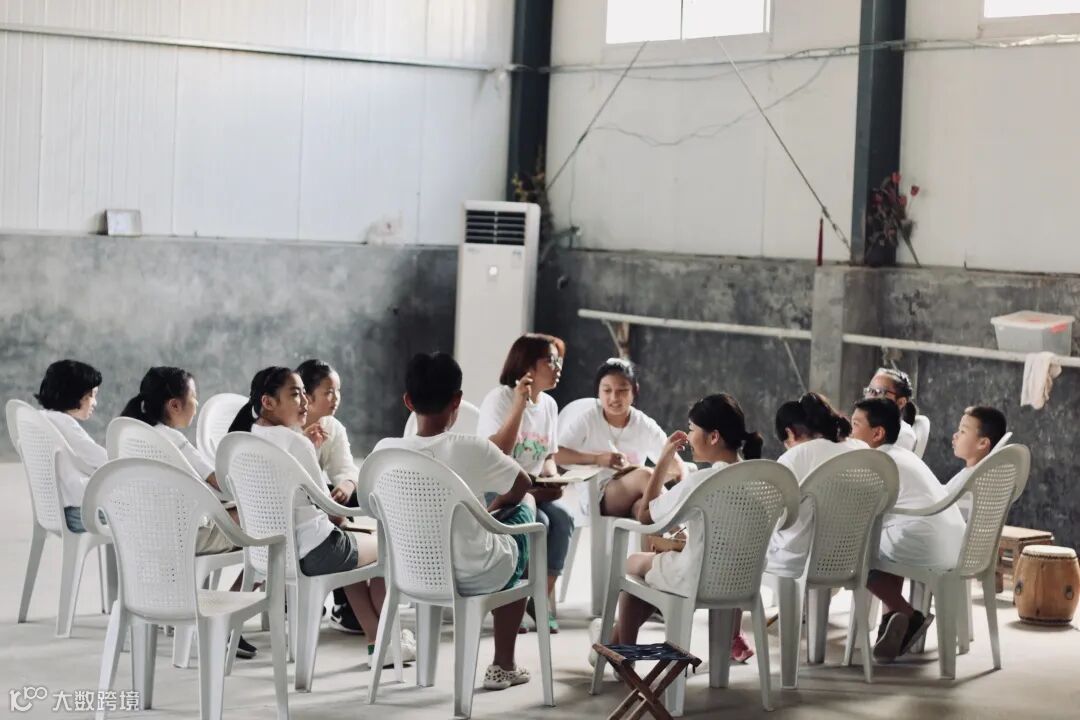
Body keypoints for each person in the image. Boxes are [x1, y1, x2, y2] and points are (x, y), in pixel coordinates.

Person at [229, 367, 415, 665]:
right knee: (387, 546)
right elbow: (328, 507)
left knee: (350, 551)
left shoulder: (243, 439)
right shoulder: (295, 442)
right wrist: (361, 514)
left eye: (304, 393)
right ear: (268, 402)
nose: (304, 401)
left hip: (270, 553)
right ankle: (387, 639)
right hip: (313, 552)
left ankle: (377, 642)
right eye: (295, 394)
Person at [372, 352, 536, 690]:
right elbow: (522, 484)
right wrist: (491, 511)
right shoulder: (472, 447)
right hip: (475, 574)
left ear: (408, 401)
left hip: (409, 573)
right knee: (525, 516)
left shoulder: (384, 452)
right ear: (457, 400)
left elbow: (372, 505)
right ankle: (503, 664)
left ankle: (430, 674)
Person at [591, 394, 763, 664]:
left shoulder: (702, 481)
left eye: (692, 429)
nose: (690, 436)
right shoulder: (764, 478)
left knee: (633, 565)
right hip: (743, 580)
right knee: (650, 572)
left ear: (713, 437)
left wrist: (663, 461)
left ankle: (621, 654)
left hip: (697, 578)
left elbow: (646, 516)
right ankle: (614, 647)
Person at [849, 398, 965, 661]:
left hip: (926, 545)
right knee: (885, 542)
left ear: (877, 433)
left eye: (855, 425)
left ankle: (908, 614)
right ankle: (892, 618)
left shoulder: (878, 462)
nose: (849, 432)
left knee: (853, 555)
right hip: (954, 544)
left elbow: (859, 514)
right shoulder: (902, 455)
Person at [477, 333, 574, 634]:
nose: (558, 367)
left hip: (533, 489)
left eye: (559, 361)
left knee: (563, 519)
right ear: (527, 365)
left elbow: (548, 457)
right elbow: (496, 453)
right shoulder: (500, 399)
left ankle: (538, 598)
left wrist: (552, 478)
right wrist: (520, 404)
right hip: (499, 489)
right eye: (550, 361)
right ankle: (511, 600)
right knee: (539, 522)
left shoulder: (550, 405)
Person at [119, 366, 236, 555]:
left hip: (146, 536)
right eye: (194, 397)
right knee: (265, 519)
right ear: (174, 405)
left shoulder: (132, 437)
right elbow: (220, 483)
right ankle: (250, 576)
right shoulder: (174, 441)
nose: (197, 404)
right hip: (189, 537)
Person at [555, 358, 688, 520]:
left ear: (634, 391)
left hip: (638, 494)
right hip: (597, 495)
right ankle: (682, 531)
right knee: (645, 476)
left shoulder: (643, 423)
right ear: (598, 391)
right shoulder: (588, 419)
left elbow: (676, 465)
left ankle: (673, 534)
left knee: (645, 510)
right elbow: (557, 454)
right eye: (607, 390)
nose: (614, 397)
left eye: (622, 390)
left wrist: (681, 481)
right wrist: (597, 459)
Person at [766, 393, 868, 579]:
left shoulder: (795, 457)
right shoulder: (861, 448)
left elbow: (774, 517)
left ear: (790, 433)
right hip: (850, 557)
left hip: (799, 560)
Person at [296, 359, 361, 634]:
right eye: (329, 392)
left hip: (319, 498)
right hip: (295, 507)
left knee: (350, 501)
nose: (336, 398)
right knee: (337, 518)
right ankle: (296, 596)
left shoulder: (333, 427)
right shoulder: (287, 428)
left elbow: (347, 468)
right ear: (307, 396)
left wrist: (346, 484)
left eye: (338, 391)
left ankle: (346, 606)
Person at [33, 360, 107, 534]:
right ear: (74, 394)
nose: (95, 402)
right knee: (138, 510)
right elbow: (105, 460)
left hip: (54, 511)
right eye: (91, 395)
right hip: (77, 514)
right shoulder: (64, 424)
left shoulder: (41, 418)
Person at [942, 405, 1008, 518]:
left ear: (983, 443)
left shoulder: (973, 482)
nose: (955, 435)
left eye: (963, 431)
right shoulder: (977, 475)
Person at [863, 367, 919, 452]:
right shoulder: (863, 426)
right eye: (870, 390)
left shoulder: (903, 436)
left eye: (879, 392)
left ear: (900, 402)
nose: (870, 397)